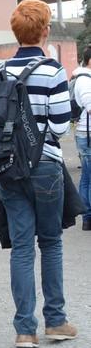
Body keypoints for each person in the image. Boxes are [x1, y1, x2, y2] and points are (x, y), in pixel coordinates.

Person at [0, 0, 76, 348]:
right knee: (51, 242)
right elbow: (60, 126)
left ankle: (25, 329)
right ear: (44, 30)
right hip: (44, 167)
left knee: (22, 247)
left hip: (9, 168)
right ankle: (55, 321)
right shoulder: (53, 70)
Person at [74, 46, 91, 231]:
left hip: (85, 133)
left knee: (87, 177)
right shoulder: (85, 80)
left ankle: (87, 217)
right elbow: (89, 105)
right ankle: (88, 215)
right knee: (89, 177)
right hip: (88, 134)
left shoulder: (83, 78)